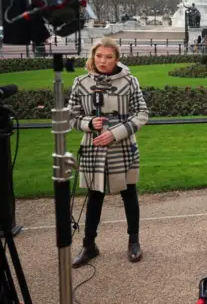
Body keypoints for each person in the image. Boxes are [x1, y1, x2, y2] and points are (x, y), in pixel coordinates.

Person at [68, 37, 149, 267]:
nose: (103, 61)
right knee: (94, 197)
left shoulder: (130, 82)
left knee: (129, 194)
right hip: (94, 147)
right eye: (99, 56)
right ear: (93, 56)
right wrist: (88, 123)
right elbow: (71, 116)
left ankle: (134, 242)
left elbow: (142, 114)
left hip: (122, 147)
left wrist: (115, 133)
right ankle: (89, 245)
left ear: (117, 59)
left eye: (109, 57)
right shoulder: (81, 83)